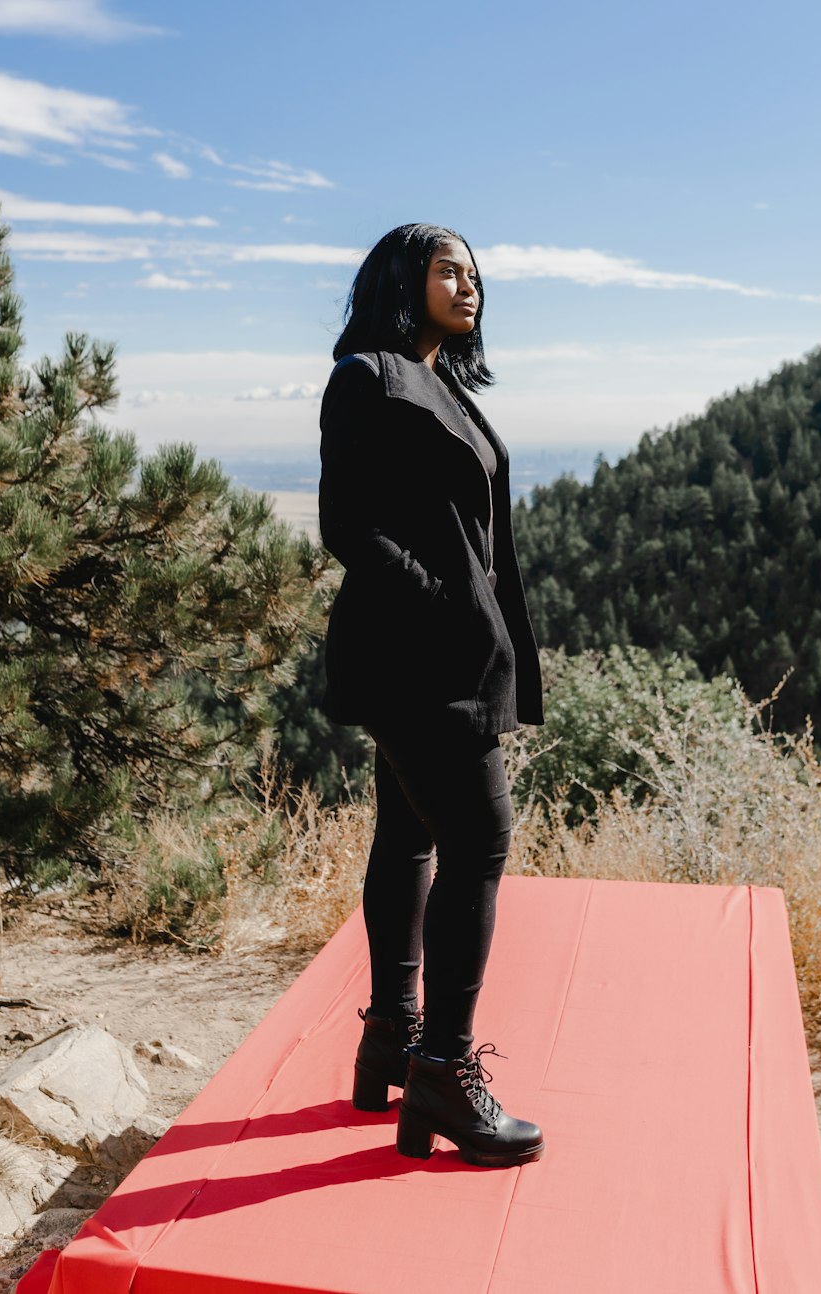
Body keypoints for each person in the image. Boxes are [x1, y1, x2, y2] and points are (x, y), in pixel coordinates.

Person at [317, 223, 545, 1168]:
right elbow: (348, 526)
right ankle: (444, 1070)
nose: (470, 283)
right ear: (404, 280)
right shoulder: (366, 374)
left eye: (477, 272)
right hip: (421, 660)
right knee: (480, 839)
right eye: (449, 269)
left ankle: (391, 1042)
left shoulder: (445, 382)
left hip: (446, 654)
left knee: (408, 835)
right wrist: (445, 605)